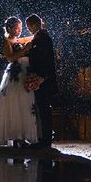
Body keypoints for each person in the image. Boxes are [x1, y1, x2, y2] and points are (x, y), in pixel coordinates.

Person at [0, 16, 38, 147]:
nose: (19, 30)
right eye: (16, 28)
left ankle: (23, 135)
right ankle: (16, 137)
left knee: (25, 103)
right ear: (9, 28)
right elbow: (10, 58)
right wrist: (25, 49)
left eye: (20, 28)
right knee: (15, 104)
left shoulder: (18, 39)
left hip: (25, 73)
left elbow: (33, 37)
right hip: (15, 74)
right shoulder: (6, 41)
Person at [24, 14, 57, 149]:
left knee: (43, 109)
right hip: (42, 77)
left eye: (28, 26)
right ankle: (44, 138)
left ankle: (45, 140)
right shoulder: (42, 36)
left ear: (34, 25)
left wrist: (42, 76)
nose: (28, 29)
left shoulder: (42, 38)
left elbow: (44, 59)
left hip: (42, 78)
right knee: (43, 109)